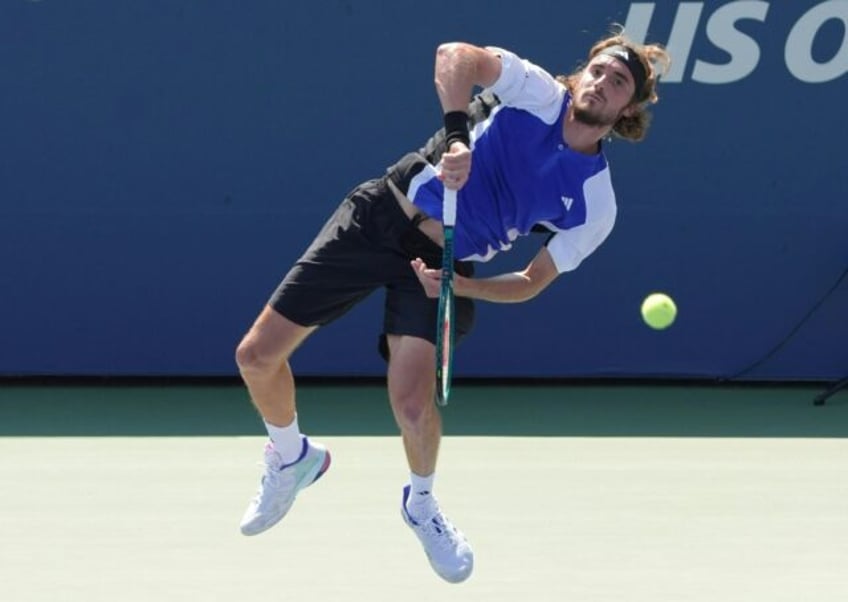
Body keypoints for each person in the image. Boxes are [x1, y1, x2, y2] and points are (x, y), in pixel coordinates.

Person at [234, 30, 670, 583]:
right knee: (255, 357)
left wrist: (462, 289)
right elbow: (453, 56)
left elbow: (534, 280)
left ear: (628, 108)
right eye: (599, 70)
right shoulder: (534, 94)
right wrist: (459, 137)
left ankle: (421, 504)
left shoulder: (596, 203)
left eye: (619, 82)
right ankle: (292, 456)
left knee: (414, 406)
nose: (602, 83)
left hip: (445, 263)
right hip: (381, 217)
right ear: (581, 73)